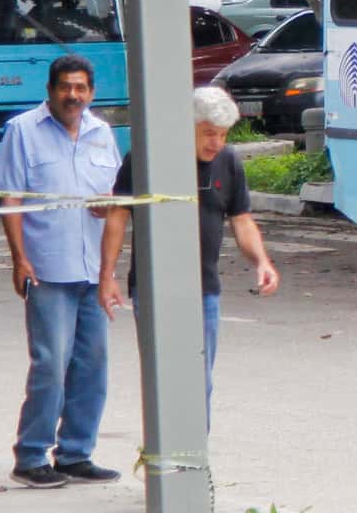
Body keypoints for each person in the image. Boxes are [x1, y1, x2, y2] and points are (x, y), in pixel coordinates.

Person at [96, 87, 280, 422]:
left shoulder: (229, 161)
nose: (216, 143)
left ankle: (195, 463)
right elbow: (118, 216)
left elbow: (242, 221)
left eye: (223, 135)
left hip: (204, 289)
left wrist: (262, 262)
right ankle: (165, 460)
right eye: (209, 134)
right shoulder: (147, 158)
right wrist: (106, 276)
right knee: (163, 379)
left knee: (199, 381)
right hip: (153, 288)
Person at [0, 54, 123, 489]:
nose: (73, 95)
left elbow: (116, 204)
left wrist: (109, 270)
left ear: (91, 92)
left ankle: (75, 453)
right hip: (47, 270)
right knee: (50, 364)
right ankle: (30, 456)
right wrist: (18, 258)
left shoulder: (102, 134)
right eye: (65, 87)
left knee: (92, 365)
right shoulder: (23, 131)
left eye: (81, 88)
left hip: (92, 273)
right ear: (50, 90)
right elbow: (10, 198)